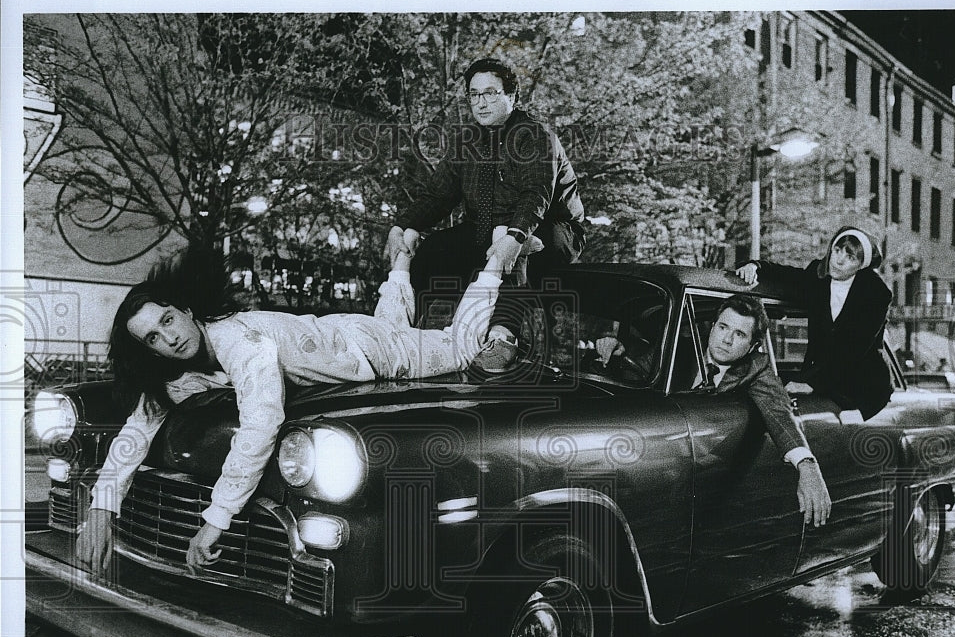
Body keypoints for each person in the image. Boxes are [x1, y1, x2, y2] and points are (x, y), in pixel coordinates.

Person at [77, 248, 504, 574]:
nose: (167, 339)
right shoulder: (183, 362)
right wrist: (101, 507)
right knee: (392, 323)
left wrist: (216, 519)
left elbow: (261, 423)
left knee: (461, 346)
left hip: (371, 352)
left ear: (187, 311)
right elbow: (136, 431)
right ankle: (400, 261)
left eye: (167, 320)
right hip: (340, 334)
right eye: (151, 338)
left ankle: (498, 258)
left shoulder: (239, 342)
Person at [383, 57, 586, 332]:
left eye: (490, 93)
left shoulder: (536, 136)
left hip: (551, 230)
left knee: (516, 249)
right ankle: (399, 328)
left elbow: (535, 194)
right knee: (431, 250)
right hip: (485, 229)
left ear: (511, 96)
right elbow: (437, 196)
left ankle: (502, 337)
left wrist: (515, 236)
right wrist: (401, 226)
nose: (481, 102)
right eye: (474, 95)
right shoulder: (466, 141)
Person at [695, 294, 832, 527]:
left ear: (752, 346)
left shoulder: (757, 367)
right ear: (713, 326)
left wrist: (807, 465)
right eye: (723, 327)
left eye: (739, 334)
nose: (726, 339)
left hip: (709, 474)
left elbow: (778, 411)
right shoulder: (679, 349)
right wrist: (612, 349)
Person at [735, 226, 893, 421]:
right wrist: (755, 266)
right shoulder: (819, 275)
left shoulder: (876, 293)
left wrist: (814, 383)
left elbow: (854, 349)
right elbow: (787, 275)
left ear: (861, 266)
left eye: (850, 257)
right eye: (837, 250)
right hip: (825, 378)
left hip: (863, 388)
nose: (839, 260)